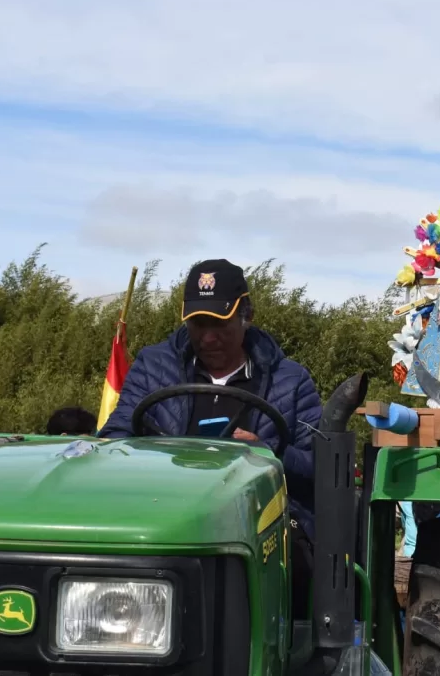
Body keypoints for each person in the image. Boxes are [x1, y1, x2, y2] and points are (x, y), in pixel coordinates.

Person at [97, 258, 322, 617]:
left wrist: (269, 453)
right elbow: (116, 435)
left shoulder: (291, 380)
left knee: (293, 562)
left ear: (247, 315)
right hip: (161, 508)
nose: (208, 338)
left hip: (261, 519)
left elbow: (319, 467)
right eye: (198, 324)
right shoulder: (153, 365)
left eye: (220, 324)